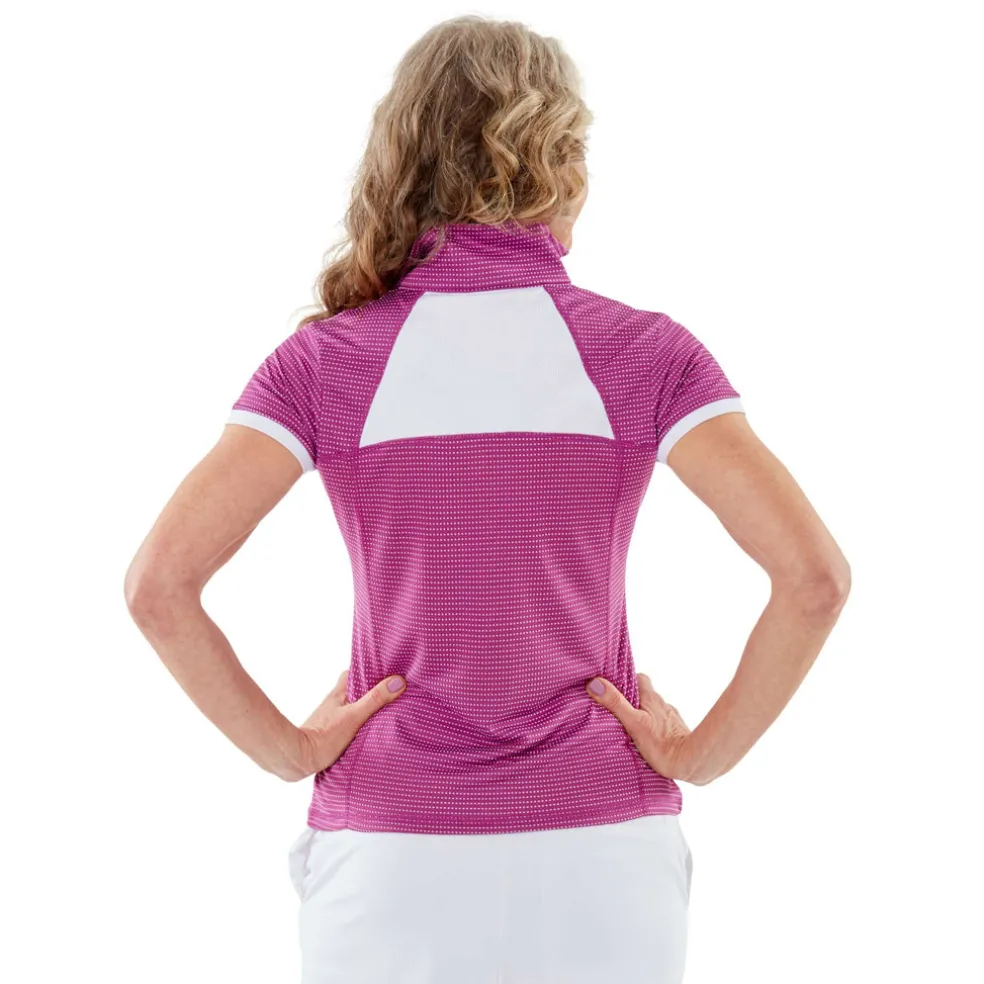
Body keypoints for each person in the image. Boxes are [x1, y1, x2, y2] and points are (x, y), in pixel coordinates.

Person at [123, 14, 851, 984]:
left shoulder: (327, 363)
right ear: (562, 162)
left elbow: (159, 586)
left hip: (391, 862)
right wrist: (702, 754)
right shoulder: (646, 353)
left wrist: (292, 751)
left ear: (402, 157)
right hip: (604, 860)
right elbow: (813, 580)